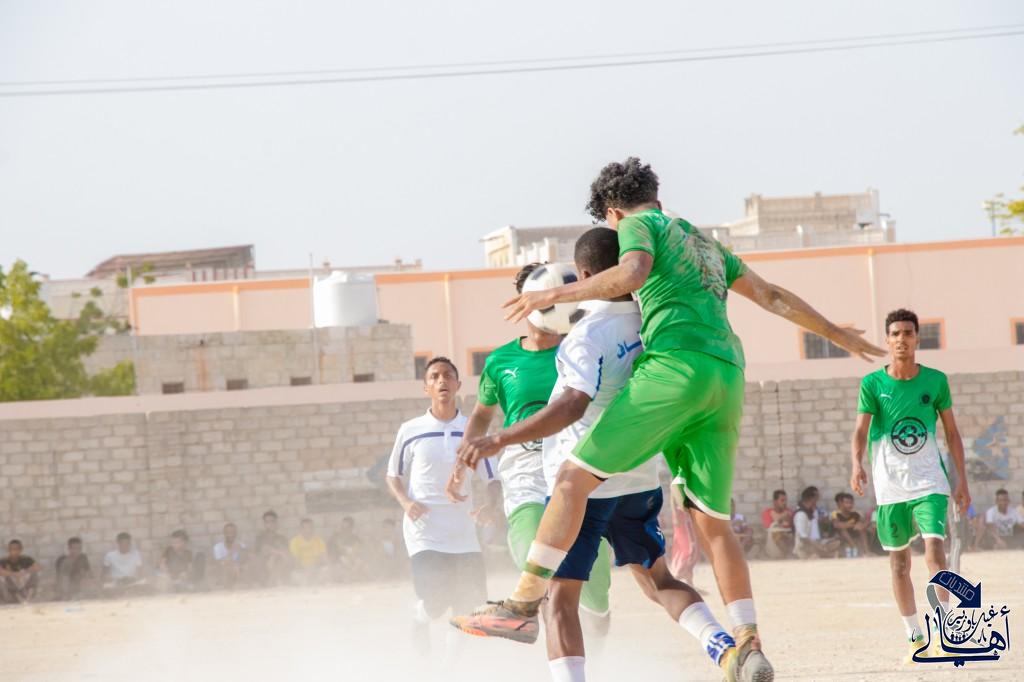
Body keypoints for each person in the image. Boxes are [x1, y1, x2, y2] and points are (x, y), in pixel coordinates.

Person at [454, 158, 883, 681]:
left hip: (675, 371)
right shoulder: (705, 244)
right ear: (656, 195)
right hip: (726, 376)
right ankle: (746, 642)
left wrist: (553, 294)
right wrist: (837, 335)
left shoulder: (637, 229)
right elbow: (770, 295)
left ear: (614, 213)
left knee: (570, 482)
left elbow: (631, 274)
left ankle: (522, 604)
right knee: (711, 523)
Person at [452, 228, 740, 681]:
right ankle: (727, 650)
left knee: (561, 600)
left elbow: (572, 405)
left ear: (584, 276)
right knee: (660, 581)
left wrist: (500, 439)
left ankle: (524, 611)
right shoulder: (653, 322)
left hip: (585, 482)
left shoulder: (586, 335)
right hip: (639, 476)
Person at [451, 263, 614, 632]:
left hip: (577, 460)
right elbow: (481, 416)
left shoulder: (583, 348)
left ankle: (599, 633)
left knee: (594, 585)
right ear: (524, 303)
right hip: (524, 463)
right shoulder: (501, 361)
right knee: (531, 548)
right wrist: (463, 461)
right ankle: (528, 617)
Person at [850, 308, 971, 662]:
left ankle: (945, 629)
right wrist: (856, 464)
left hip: (930, 481)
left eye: (907, 333)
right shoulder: (872, 384)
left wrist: (961, 480)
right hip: (890, 486)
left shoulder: (936, 381)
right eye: (895, 334)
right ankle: (915, 637)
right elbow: (860, 431)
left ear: (917, 338)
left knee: (935, 552)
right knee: (899, 565)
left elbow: (952, 433)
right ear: (888, 340)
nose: (901, 339)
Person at [385, 356, 497, 661]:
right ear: (426, 388)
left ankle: (450, 670)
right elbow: (393, 476)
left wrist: (491, 505)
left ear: (458, 385)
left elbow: (493, 478)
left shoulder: (473, 430)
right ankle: (421, 616)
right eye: (434, 376)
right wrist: (406, 502)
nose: (442, 380)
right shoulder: (411, 429)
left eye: (448, 375)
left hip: (464, 534)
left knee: (467, 605)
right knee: (436, 599)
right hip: (425, 533)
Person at [793, 487, 840, 559]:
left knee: (836, 542)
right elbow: (803, 537)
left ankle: (826, 554)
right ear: (812, 498)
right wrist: (817, 545)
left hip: (815, 543)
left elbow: (828, 517)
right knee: (820, 552)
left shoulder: (811, 512)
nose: (818, 499)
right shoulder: (801, 514)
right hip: (804, 547)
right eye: (817, 497)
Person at [254, 510, 291, 586]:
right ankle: (273, 581)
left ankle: (273, 581)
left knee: (280, 558)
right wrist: (273, 554)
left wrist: (274, 555)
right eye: (267, 522)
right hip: (264, 565)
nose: (270, 524)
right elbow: (260, 551)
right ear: (264, 524)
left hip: (278, 564)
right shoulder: (260, 538)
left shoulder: (282, 538)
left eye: (272, 521)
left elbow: (285, 552)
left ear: (276, 523)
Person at [328, 516, 369, 581]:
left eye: (346, 528)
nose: (344, 530)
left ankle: (354, 577)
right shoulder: (335, 537)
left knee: (364, 567)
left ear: (351, 528)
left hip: (353, 563)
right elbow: (332, 552)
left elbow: (361, 552)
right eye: (342, 527)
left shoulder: (356, 538)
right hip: (340, 564)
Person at [0, 540, 41, 604]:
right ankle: (13, 598)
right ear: (8, 550)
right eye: (11, 549)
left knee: (36, 574)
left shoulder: (26, 559)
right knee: (2, 578)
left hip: (23, 582)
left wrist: (24, 572)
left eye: (16, 549)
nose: (14, 551)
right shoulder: (4, 561)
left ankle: (29, 598)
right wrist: (14, 574)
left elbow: (37, 567)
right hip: (11, 584)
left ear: (21, 550)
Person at [289, 518, 328, 585]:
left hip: (316, 569)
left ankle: (316, 583)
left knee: (326, 570)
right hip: (302, 571)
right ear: (300, 529)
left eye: (310, 528)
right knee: (294, 574)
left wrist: (313, 568)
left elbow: (324, 558)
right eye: (305, 528)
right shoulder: (294, 541)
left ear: (313, 529)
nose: (308, 530)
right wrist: (305, 570)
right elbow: (295, 560)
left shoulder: (319, 540)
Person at [831, 493, 869, 557]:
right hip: (840, 536)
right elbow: (836, 525)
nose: (849, 505)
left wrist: (860, 526)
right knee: (842, 530)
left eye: (851, 503)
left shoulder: (855, 514)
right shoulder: (836, 514)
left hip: (853, 534)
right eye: (846, 503)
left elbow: (862, 524)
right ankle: (854, 548)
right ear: (841, 504)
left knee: (862, 531)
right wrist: (853, 525)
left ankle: (867, 552)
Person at [760, 490, 794, 560]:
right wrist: (782, 517)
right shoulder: (767, 513)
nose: (785, 503)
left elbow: (792, 526)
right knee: (776, 533)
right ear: (775, 502)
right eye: (782, 500)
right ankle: (787, 556)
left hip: (788, 539)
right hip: (773, 544)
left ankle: (788, 556)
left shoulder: (789, 512)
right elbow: (768, 527)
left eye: (786, 500)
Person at [212, 523, 247, 589]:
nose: (231, 535)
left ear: (236, 533)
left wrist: (241, 551)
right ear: (224, 534)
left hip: (238, 570)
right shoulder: (217, 547)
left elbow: (244, 561)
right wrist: (231, 552)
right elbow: (219, 564)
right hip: (224, 571)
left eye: (233, 532)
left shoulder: (241, 545)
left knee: (241, 567)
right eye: (228, 532)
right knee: (227, 567)